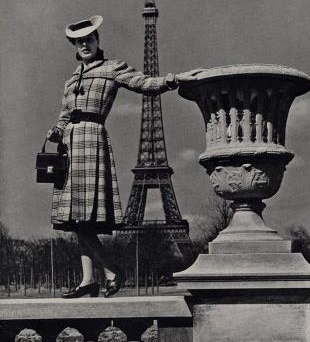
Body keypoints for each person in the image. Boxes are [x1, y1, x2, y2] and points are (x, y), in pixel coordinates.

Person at [46, 15, 201, 298]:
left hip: (92, 142)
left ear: (97, 41)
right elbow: (64, 115)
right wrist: (56, 130)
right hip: (70, 147)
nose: (85, 44)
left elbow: (145, 83)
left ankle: (111, 271)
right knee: (77, 220)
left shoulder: (111, 68)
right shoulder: (71, 81)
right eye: (79, 41)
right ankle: (88, 280)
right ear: (74, 45)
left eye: (89, 39)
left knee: (82, 219)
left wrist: (175, 79)